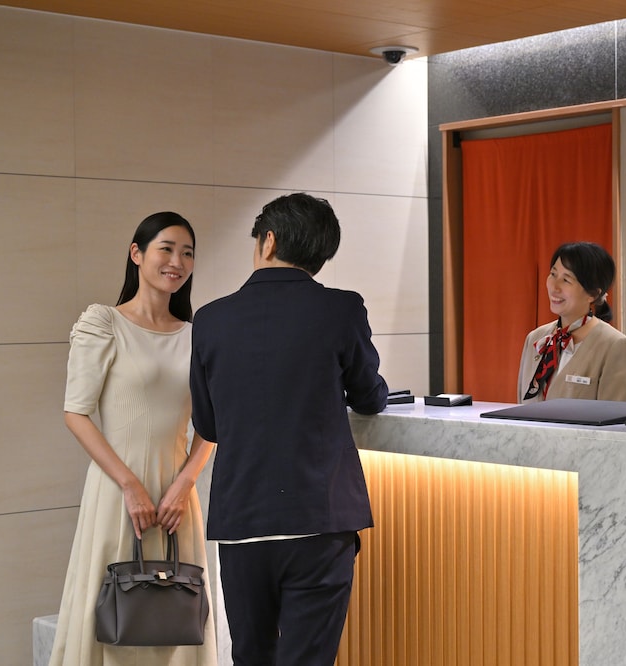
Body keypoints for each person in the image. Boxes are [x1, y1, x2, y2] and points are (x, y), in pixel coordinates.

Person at [189, 193, 388, 665]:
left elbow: (208, 424)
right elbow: (369, 397)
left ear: (269, 240)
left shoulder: (211, 319)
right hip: (318, 519)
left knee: (251, 656)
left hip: (242, 522)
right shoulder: (341, 309)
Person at [49, 212, 217, 665]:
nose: (177, 262)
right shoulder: (104, 323)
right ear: (137, 254)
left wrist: (184, 484)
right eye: (167, 248)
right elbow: (76, 412)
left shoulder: (197, 336)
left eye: (187, 253)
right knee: (113, 617)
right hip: (117, 491)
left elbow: (213, 423)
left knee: (178, 617)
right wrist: (129, 485)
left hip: (177, 499)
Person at [518, 241, 626, 403]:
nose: (554, 287)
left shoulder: (615, 345)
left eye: (566, 280)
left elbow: (615, 415)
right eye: (553, 274)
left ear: (593, 294)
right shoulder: (536, 338)